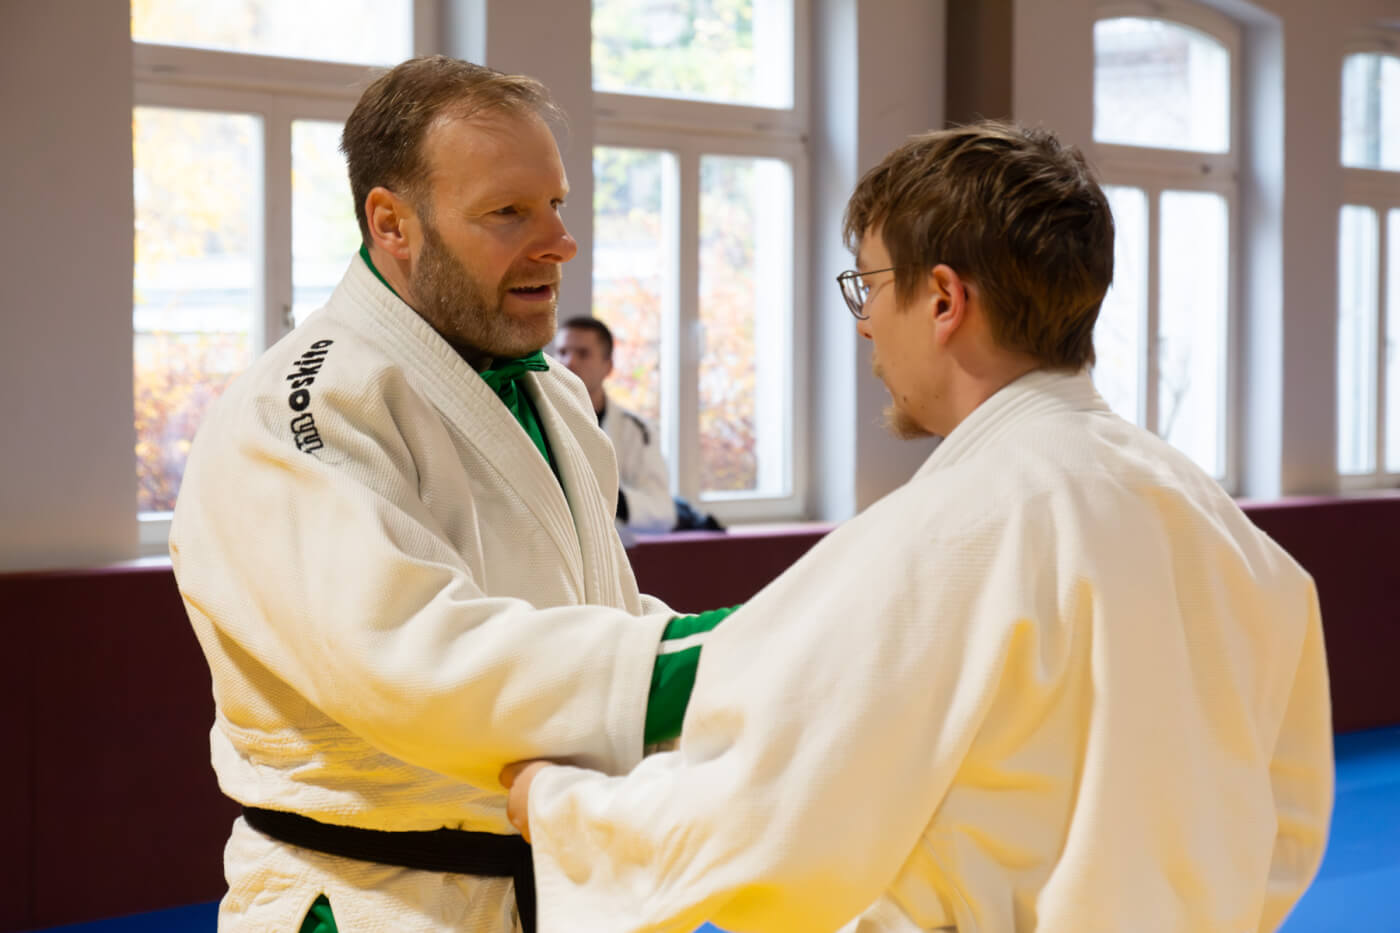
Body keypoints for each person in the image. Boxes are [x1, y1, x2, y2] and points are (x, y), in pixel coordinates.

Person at [503, 122, 1334, 933]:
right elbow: (1288, 828)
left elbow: (766, 812)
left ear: (942, 299)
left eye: (869, 285)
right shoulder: (1237, 541)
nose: (865, 322)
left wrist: (559, 802)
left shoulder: (948, 533)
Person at [169, 56, 730, 933]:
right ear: (392, 223)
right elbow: (418, 658)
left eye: (557, 204)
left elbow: (590, 613)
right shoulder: (299, 408)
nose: (559, 241)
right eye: (509, 212)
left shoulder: (549, 391)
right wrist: (721, 661)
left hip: (550, 887)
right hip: (377, 899)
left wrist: (716, 659)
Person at [553, 316, 677, 533]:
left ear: (608, 366)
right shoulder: (532, 421)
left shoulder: (637, 432)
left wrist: (604, 495)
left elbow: (662, 513)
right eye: (562, 352)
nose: (569, 362)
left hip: (614, 549)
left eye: (583, 354)